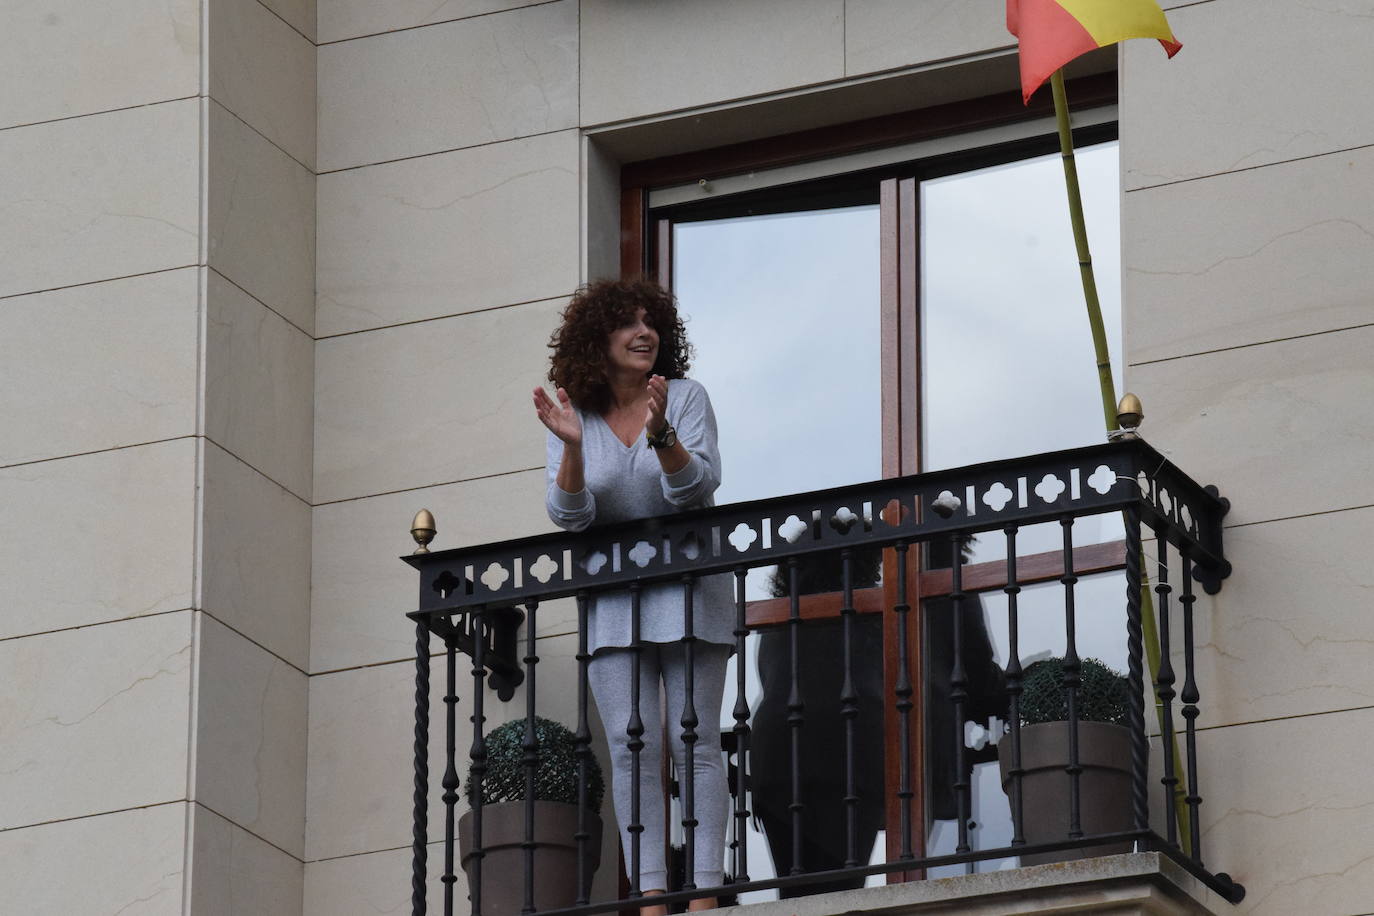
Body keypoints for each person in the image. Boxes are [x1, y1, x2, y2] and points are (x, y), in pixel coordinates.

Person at [534, 277, 732, 914]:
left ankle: (702, 893)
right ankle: (649, 896)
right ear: (599, 339)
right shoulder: (574, 416)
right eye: (627, 323)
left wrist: (662, 433)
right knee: (629, 745)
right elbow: (570, 515)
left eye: (652, 322)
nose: (643, 332)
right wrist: (569, 448)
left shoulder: (684, 397)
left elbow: (694, 490)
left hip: (691, 586)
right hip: (614, 600)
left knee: (693, 739)